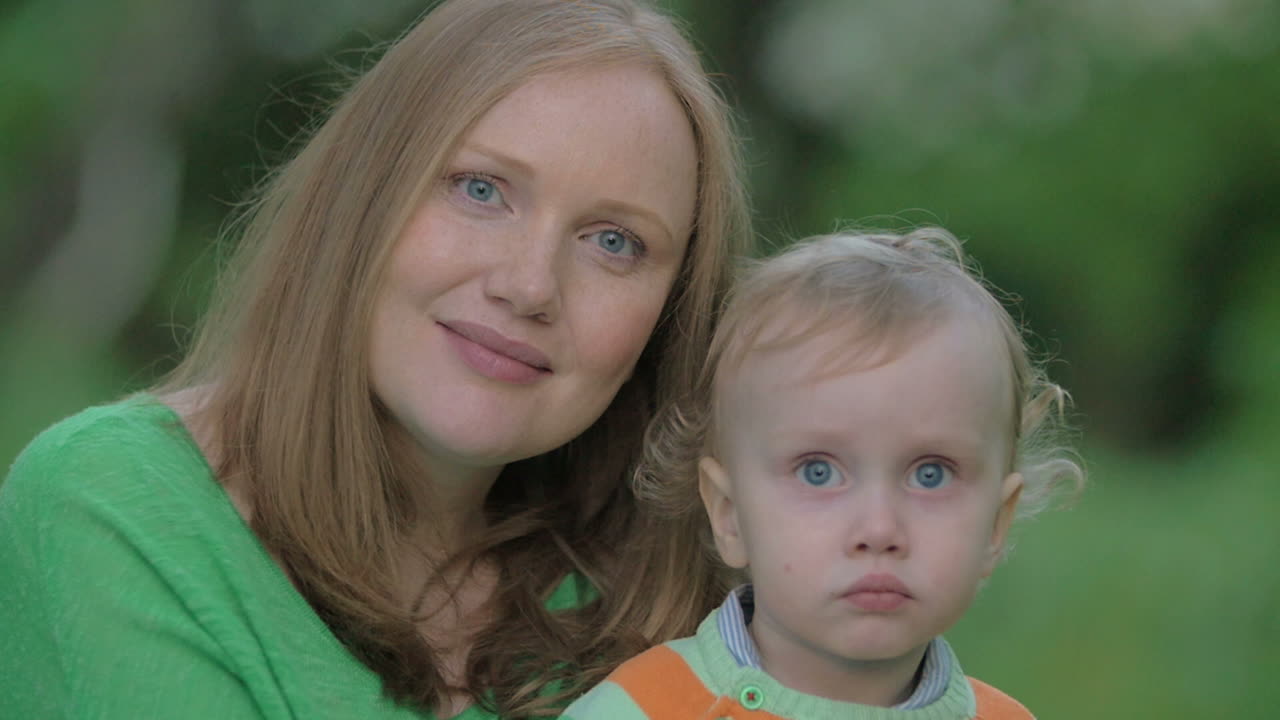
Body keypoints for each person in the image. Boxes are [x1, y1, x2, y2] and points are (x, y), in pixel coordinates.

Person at [0, 1, 752, 718]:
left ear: (670, 317)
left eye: (614, 242)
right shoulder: (117, 507)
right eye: (481, 189)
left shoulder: (687, 614)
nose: (529, 285)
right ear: (364, 197)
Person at [563, 227, 1085, 719]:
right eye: (818, 472)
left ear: (995, 523)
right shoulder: (643, 707)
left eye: (931, 474)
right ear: (730, 515)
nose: (879, 530)